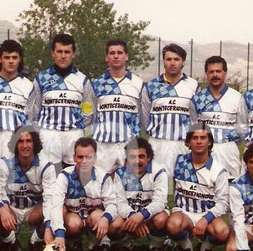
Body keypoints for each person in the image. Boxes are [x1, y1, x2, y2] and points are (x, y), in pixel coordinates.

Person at [165, 125, 231, 251]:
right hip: (184, 213)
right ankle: (186, 248)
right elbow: (173, 186)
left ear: (210, 142)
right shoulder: (179, 162)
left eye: (203, 138)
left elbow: (223, 203)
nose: (199, 141)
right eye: (194, 138)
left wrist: (205, 219)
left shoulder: (218, 170)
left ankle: (204, 248)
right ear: (188, 142)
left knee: (223, 232)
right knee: (172, 225)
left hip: (207, 214)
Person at [0, 127, 57, 251]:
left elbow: (50, 198)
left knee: (58, 209)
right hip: (11, 210)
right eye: (20, 141)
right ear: (15, 143)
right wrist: (3, 210)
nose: (24, 145)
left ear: (34, 143)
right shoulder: (5, 163)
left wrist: (47, 228)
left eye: (28, 141)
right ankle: (10, 242)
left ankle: (35, 242)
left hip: (34, 211)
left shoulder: (46, 165)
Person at [28, 33, 94, 167]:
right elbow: (33, 112)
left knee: (75, 178)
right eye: (59, 51)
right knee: (50, 177)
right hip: (49, 134)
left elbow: (88, 112)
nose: (63, 56)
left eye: (67, 52)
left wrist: (78, 129)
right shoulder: (41, 79)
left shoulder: (83, 80)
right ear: (52, 53)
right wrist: (40, 133)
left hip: (74, 134)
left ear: (73, 54)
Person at [48, 138, 118, 251]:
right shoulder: (65, 176)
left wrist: (105, 219)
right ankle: (74, 243)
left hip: (94, 219)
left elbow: (112, 204)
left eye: (88, 157)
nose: (84, 161)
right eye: (80, 157)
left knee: (99, 216)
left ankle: (95, 246)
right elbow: (56, 205)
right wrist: (59, 233)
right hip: (75, 219)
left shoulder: (103, 177)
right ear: (74, 158)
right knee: (72, 222)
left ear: (95, 158)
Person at [140, 43, 199, 175]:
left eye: (177, 59)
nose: (172, 63)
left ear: (183, 62)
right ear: (164, 62)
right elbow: (144, 117)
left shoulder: (193, 85)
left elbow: (196, 118)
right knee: (158, 183)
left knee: (183, 184)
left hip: (183, 144)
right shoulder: (151, 86)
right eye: (169, 59)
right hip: (158, 143)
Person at [111, 137, 169, 251]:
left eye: (141, 156)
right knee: (114, 225)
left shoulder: (159, 171)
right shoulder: (120, 173)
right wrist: (133, 216)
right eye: (132, 157)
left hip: (150, 215)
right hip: (130, 215)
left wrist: (142, 215)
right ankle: (127, 248)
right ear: (126, 159)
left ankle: (155, 248)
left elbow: (160, 202)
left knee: (161, 219)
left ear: (149, 157)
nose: (137, 161)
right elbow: (120, 203)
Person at [0, 39, 34, 174]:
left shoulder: (28, 86)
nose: (11, 61)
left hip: (19, 141)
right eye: (7, 57)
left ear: (20, 59)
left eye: (14, 57)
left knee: (17, 182)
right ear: (0, 59)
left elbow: (31, 118)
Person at [90, 39, 144, 173]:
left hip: (129, 144)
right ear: (106, 57)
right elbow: (91, 115)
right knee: (101, 186)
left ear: (126, 56)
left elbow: (143, 115)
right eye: (111, 53)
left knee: (129, 187)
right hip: (103, 145)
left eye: (119, 53)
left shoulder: (138, 84)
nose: (115, 56)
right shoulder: (96, 84)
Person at [190, 55, 245, 180]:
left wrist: (229, 144)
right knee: (205, 188)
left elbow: (241, 129)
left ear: (225, 73)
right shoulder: (197, 99)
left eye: (218, 71)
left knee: (231, 188)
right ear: (206, 74)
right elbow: (194, 127)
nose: (215, 75)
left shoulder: (237, 98)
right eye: (211, 72)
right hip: (205, 151)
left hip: (229, 151)